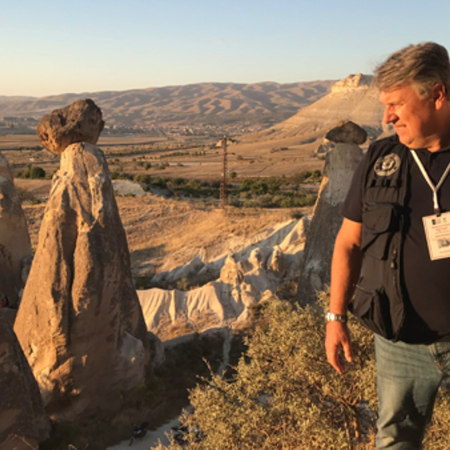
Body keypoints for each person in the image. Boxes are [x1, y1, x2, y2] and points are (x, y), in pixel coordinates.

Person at [325, 42, 450, 449]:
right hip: (400, 341)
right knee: (395, 440)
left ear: (437, 94)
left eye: (396, 104)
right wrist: (335, 317)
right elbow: (349, 242)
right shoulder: (381, 160)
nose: (386, 117)